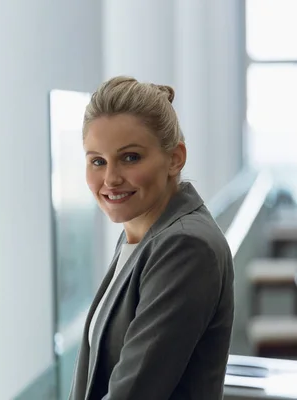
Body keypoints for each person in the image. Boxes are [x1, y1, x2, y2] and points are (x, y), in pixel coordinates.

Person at [68, 76, 234, 400]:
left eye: (130, 157)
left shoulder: (185, 246)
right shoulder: (141, 234)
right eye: (97, 161)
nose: (111, 179)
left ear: (175, 158)